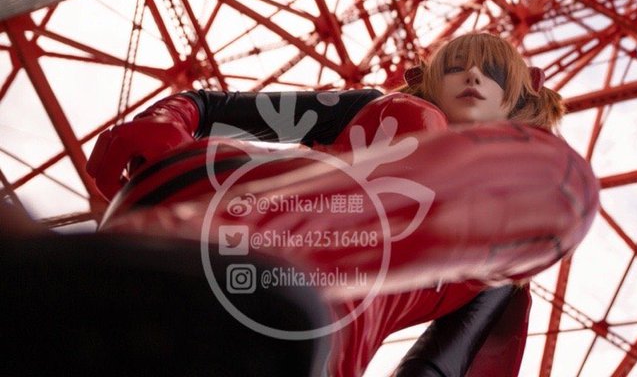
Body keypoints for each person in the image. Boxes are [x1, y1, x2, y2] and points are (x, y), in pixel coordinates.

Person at [85, 32, 599, 377]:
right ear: (428, 77)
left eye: (493, 73)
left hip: (316, 327)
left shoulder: (511, 244)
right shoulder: (381, 107)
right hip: (214, 217)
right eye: (456, 67)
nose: (473, 78)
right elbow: (213, 107)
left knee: (549, 191)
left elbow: (437, 367)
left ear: (518, 98)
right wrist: (168, 120)